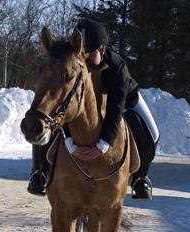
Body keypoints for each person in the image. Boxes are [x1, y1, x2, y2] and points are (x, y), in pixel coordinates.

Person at [27, 19, 160, 200]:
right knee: (47, 120)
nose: (84, 57)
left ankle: (140, 178)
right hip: (84, 104)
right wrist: (70, 143)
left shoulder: (116, 67)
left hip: (125, 100)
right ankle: (39, 172)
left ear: (103, 49)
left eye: (89, 52)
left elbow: (115, 108)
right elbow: (68, 106)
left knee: (151, 132)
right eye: (81, 52)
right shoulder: (74, 63)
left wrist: (103, 145)